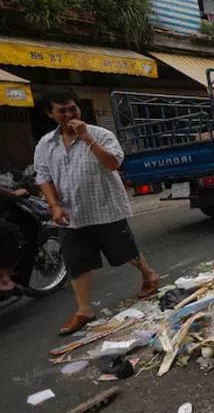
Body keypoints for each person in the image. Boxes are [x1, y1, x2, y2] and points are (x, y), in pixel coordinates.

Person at [33, 90, 160, 335]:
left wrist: (87, 137)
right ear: (50, 114)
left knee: (123, 250)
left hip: (105, 207)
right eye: (62, 110)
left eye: (73, 108)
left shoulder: (101, 134)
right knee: (76, 261)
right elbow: (43, 178)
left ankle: (149, 274)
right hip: (70, 213)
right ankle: (84, 310)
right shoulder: (45, 144)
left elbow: (113, 164)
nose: (70, 114)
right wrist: (54, 206)